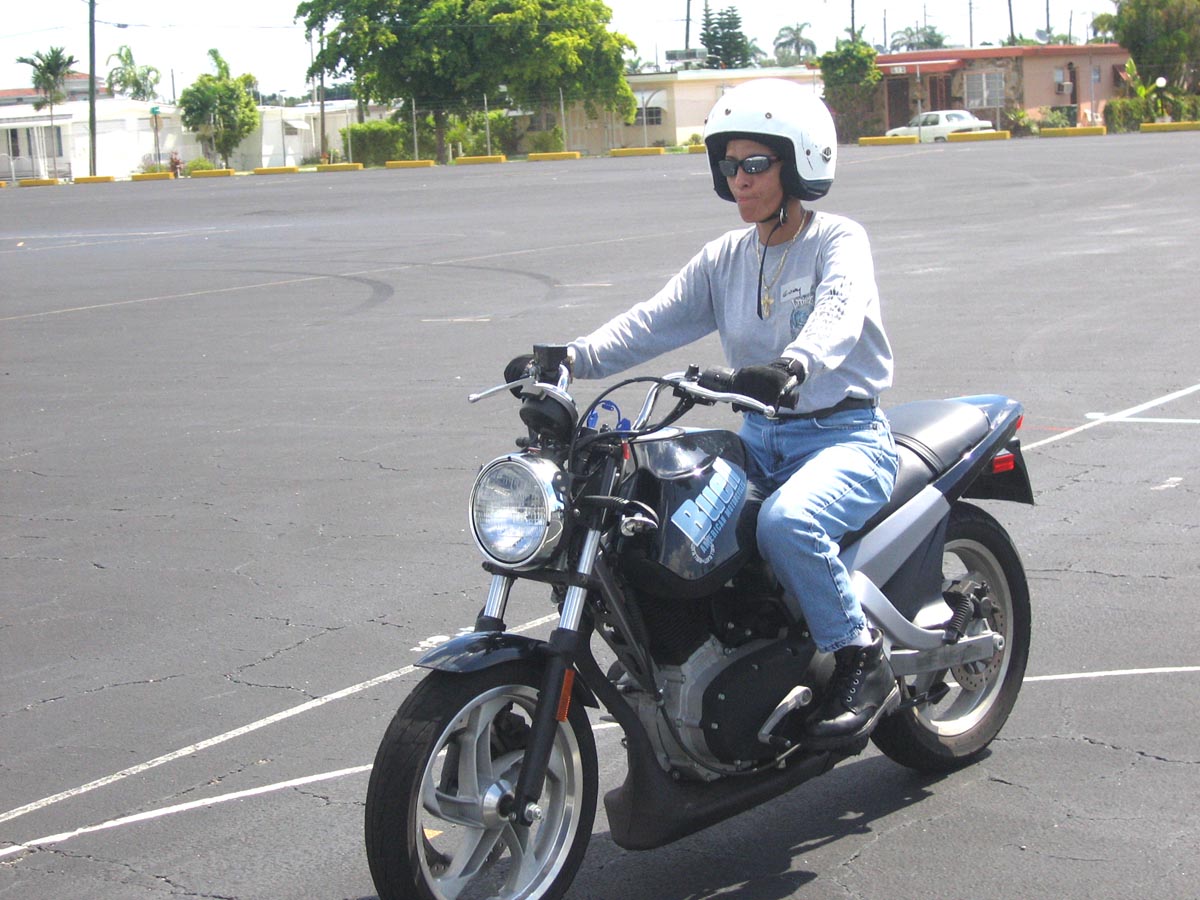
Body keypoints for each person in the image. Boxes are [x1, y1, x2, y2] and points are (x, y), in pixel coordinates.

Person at [508, 78, 901, 747]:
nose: (739, 179)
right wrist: (570, 357)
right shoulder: (727, 257)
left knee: (788, 523)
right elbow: (653, 320)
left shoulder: (838, 240)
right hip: (760, 438)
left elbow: (838, 310)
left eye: (756, 164)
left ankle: (860, 657)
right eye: (730, 165)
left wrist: (794, 364)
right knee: (656, 511)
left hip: (845, 437)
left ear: (799, 162)